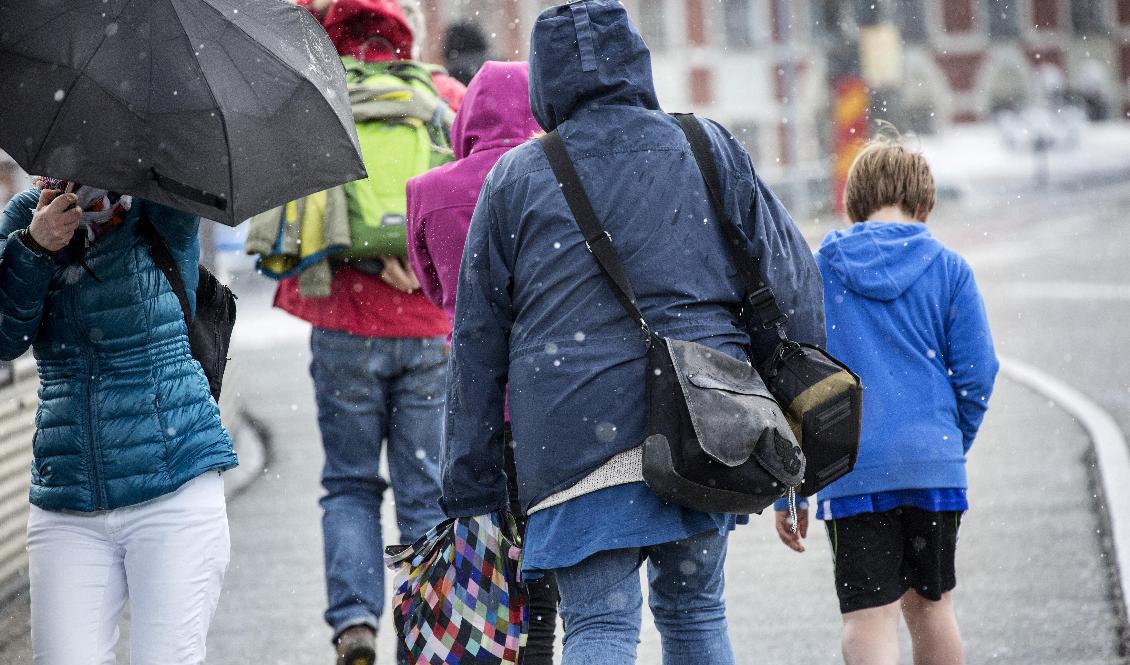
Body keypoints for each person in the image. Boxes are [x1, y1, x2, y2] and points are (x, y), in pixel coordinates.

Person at [440, 2, 824, 664]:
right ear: (637, 64)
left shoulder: (514, 182)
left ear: (544, 84)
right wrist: (798, 438)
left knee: (598, 624)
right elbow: (793, 287)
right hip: (703, 425)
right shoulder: (705, 146)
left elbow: (476, 347)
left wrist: (470, 491)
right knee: (697, 608)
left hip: (570, 437)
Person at [772, 134, 999, 665]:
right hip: (932, 466)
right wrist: (947, 440)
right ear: (923, 203)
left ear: (854, 201)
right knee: (932, 607)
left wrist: (795, 487)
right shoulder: (949, 269)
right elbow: (978, 372)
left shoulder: (819, 269)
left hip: (854, 470)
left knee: (867, 617)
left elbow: (798, 382)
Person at [284, 1, 465, 663]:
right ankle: (424, 635)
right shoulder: (439, 94)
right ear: (405, 25)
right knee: (426, 493)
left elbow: (289, 209)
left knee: (351, 483)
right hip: (428, 326)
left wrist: (360, 255)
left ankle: (355, 623)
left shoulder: (317, 100)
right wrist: (426, 260)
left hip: (345, 322)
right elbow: (482, 188)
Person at [0, 180, 238, 664]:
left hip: (174, 483)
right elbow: (5, 340)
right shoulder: (27, 215)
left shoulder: (163, 204)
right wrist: (34, 248)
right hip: (68, 493)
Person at [405, 60, 558, 665]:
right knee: (548, 574)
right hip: (548, 398)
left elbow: (432, 288)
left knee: (492, 567)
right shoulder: (550, 179)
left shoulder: (428, 191)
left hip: (472, 404)